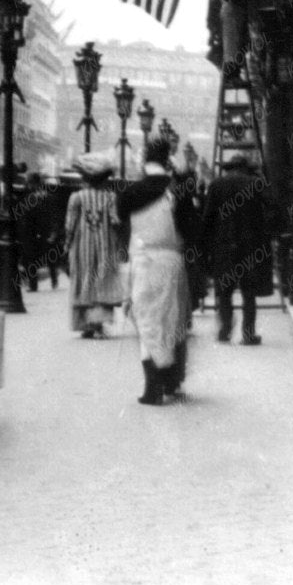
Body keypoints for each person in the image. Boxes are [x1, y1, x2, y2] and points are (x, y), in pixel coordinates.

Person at [116, 135, 200, 405]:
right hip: (172, 260)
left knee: (146, 320)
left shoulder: (130, 193)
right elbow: (191, 230)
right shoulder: (177, 191)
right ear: (166, 160)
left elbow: (121, 227)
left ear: (144, 160)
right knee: (173, 320)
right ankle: (171, 380)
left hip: (140, 259)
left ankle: (151, 385)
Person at [201, 153, 271, 345]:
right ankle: (248, 334)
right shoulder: (255, 183)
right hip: (249, 246)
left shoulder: (216, 185)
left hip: (223, 245)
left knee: (224, 292)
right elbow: (272, 209)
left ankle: (225, 330)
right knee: (249, 292)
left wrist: (206, 248)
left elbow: (207, 219)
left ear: (230, 168)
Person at [64, 153, 123, 337]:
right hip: (105, 245)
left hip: (83, 246)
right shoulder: (110, 197)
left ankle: (86, 325)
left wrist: (67, 244)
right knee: (101, 280)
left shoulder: (77, 197)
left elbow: (70, 225)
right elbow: (115, 221)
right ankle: (97, 323)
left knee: (83, 279)